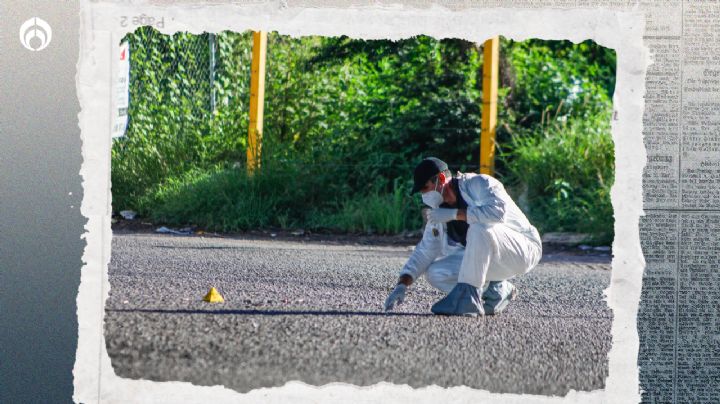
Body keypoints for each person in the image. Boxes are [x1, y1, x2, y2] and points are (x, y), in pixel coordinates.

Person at [384, 157, 542, 316]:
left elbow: (497, 213)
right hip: (493, 261)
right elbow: (424, 252)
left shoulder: (479, 184)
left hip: (524, 249)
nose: (424, 195)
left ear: (441, 179)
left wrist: (454, 214)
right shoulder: (439, 214)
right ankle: (496, 289)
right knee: (436, 273)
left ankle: (470, 301)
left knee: (478, 227)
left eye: (425, 188)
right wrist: (402, 285)